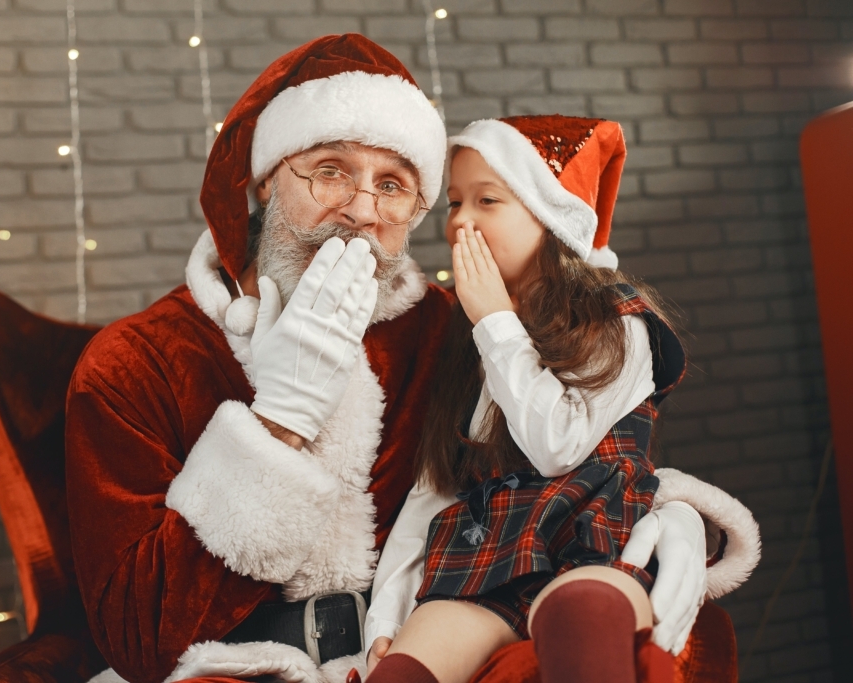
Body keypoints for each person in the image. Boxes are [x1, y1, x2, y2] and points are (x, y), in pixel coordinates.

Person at [67, 36, 761, 683]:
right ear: (266, 181)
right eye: (330, 171)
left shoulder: (447, 328)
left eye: (393, 185)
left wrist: (663, 509)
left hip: (426, 634)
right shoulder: (140, 360)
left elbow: (551, 457)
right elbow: (138, 636)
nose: (361, 211)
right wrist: (279, 422)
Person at [360, 115, 723, 683]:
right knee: (400, 673)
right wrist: (387, 614)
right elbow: (435, 488)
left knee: (583, 615)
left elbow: (558, 447)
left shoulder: (613, 318)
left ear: (549, 215)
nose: (461, 221)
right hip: (485, 559)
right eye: (455, 202)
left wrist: (496, 323)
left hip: (588, 544)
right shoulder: (467, 336)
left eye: (487, 200)